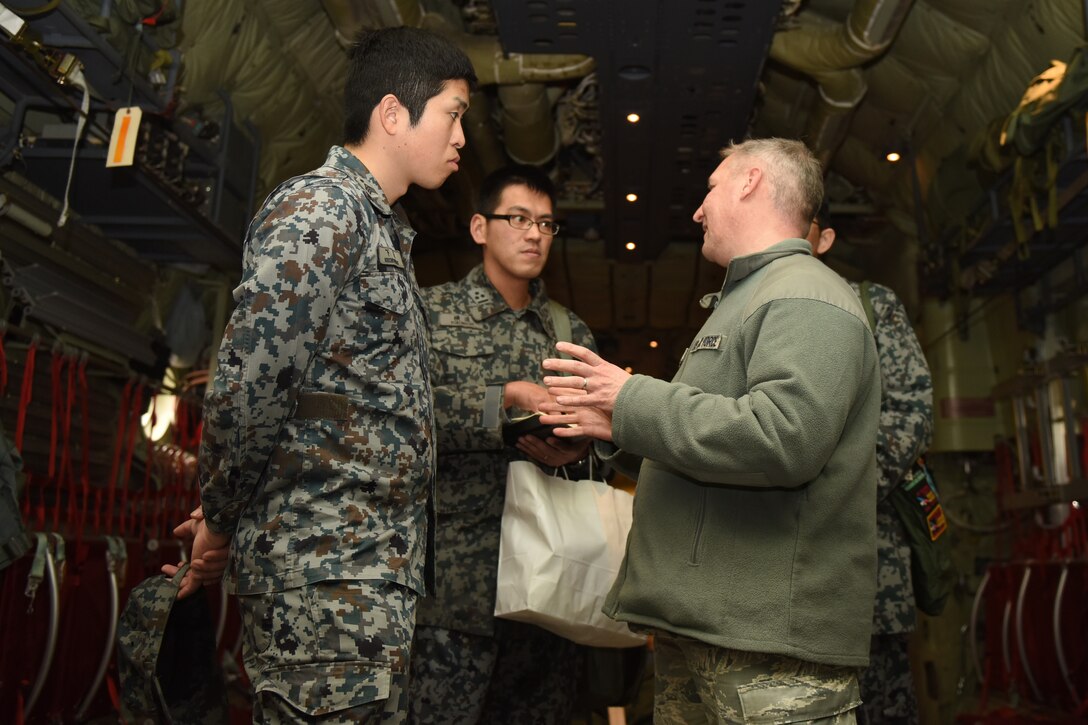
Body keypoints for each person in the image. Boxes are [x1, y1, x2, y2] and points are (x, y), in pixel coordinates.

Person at [161, 26, 478, 722]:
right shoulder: (323, 209)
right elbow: (250, 383)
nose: (462, 139)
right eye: (454, 115)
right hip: (323, 578)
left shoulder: (380, 231)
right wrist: (219, 515)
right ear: (395, 114)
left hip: (364, 576)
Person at [539, 137, 882, 723]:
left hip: (768, 645)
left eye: (711, 188)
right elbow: (713, 446)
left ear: (750, 182)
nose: (699, 210)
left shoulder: (805, 295)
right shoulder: (745, 300)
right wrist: (615, 428)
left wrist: (631, 397)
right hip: (711, 628)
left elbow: (783, 438)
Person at [408, 164, 595, 724]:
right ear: (478, 228)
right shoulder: (429, 315)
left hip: (549, 589)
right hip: (454, 593)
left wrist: (577, 450)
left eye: (545, 223)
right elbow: (399, 419)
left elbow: (601, 435)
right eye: (517, 219)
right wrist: (502, 400)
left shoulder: (570, 334)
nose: (534, 233)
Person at [807, 204, 933, 725]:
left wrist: (839, 494)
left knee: (881, 704)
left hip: (869, 567)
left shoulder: (871, 306)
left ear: (825, 238)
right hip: (784, 580)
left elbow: (910, 407)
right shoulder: (749, 311)